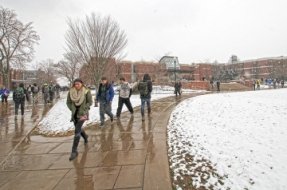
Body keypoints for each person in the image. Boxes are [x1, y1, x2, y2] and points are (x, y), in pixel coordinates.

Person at [66, 78, 92, 161]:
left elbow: (89, 102)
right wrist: (72, 109)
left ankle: (74, 151)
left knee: (77, 131)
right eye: (75, 84)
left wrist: (85, 108)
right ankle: (85, 137)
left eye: (78, 84)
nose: (76, 85)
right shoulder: (71, 92)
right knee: (79, 129)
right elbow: (68, 102)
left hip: (83, 114)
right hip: (74, 114)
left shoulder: (86, 91)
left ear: (81, 84)